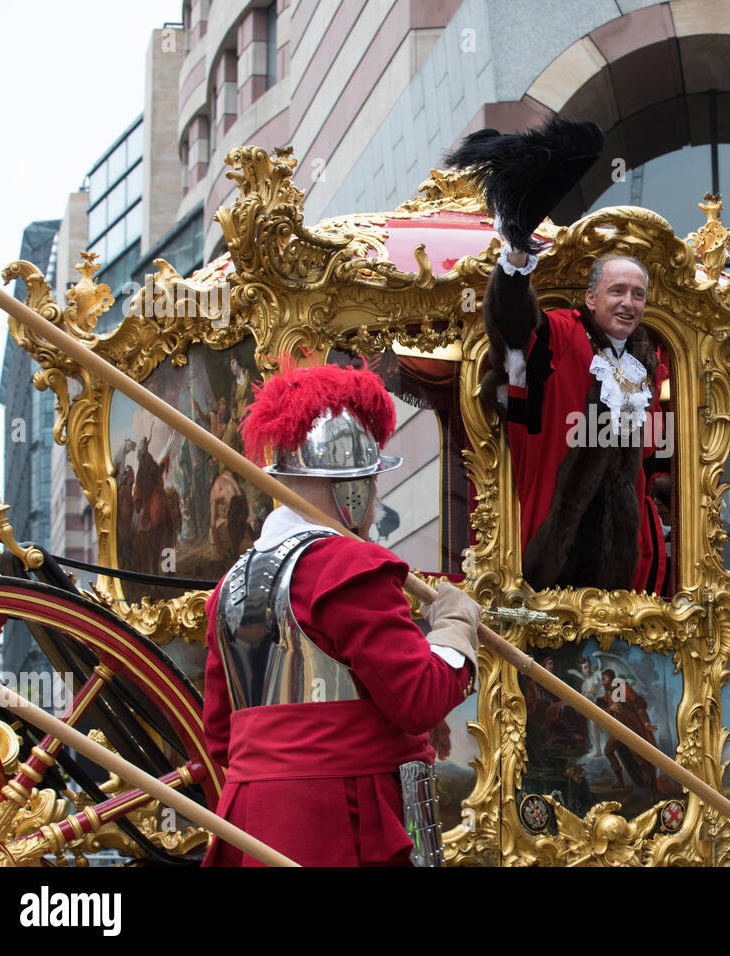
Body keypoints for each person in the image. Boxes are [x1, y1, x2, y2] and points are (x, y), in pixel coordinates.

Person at [201, 361, 481, 866]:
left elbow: (222, 736)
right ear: (352, 488)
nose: (374, 509)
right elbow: (416, 698)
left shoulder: (229, 584)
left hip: (252, 823)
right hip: (342, 824)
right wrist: (455, 628)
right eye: (372, 486)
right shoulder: (353, 567)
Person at [447, 118, 670, 592]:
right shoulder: (563, 336)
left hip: (629, 587)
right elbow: (512, 330)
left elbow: (655, 463)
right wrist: (514, 263)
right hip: (548, 571)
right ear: (591, 298)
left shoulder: (650, 366)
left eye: (637, 294)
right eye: (617, 291)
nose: (628, 303)